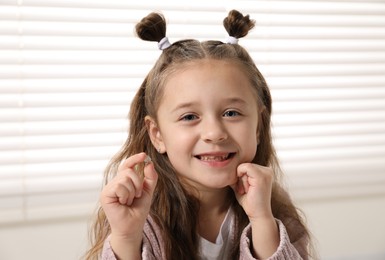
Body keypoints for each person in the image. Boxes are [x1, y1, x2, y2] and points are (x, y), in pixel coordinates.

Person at [85, 9, 314, 260]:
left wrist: (262, 221)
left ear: (258, 126)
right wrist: (126, 238)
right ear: (157, 134)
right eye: (189, 117)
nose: (214, 133)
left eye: (231, 113)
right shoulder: (139, 216)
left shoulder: (273, 210)